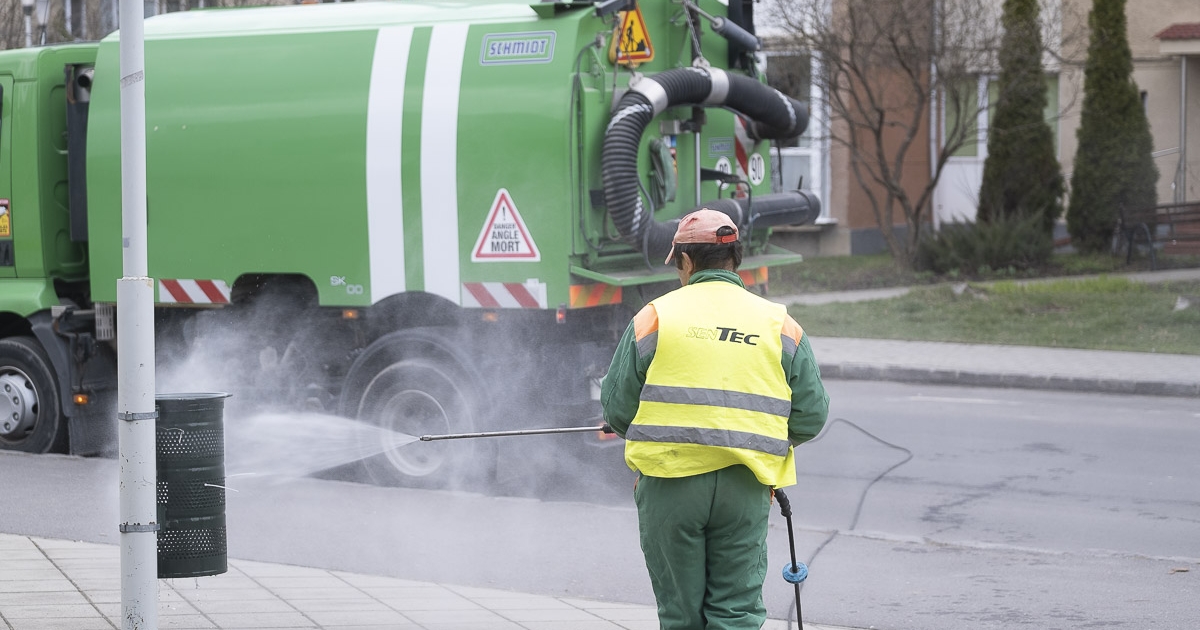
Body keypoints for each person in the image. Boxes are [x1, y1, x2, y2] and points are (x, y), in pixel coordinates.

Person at [601, 209, 829, 630]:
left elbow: (617, 409)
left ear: (686, 261)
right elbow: (812, 415)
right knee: (735, 613)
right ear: (735, 259)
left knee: (681, 615)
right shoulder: (780, 324)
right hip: (745, 487)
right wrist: (761, 438)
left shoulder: (654, 317)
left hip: (670, 486)